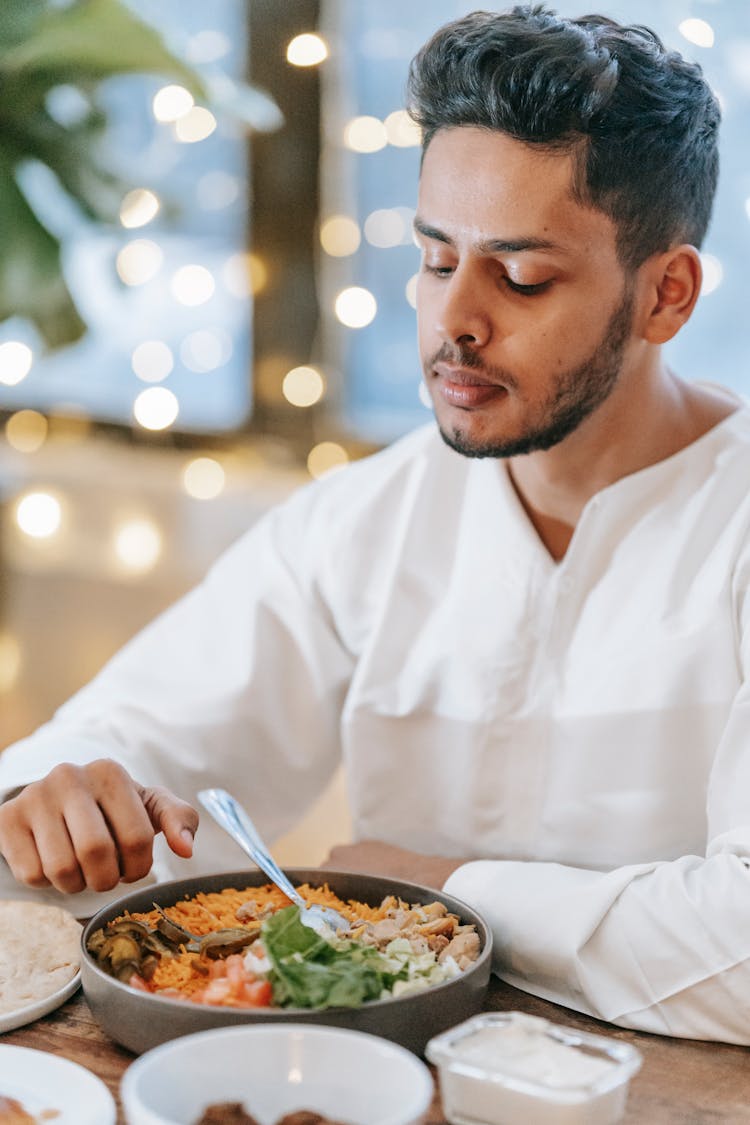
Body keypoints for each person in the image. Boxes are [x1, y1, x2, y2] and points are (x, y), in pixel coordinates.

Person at [0, 3, 747, 1044]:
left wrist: (442, 887)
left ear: (667, 295)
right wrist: (55, 790)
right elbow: (144, 737)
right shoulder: (370, 515)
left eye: (522, 276)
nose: (454, 322)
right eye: (437, 259)